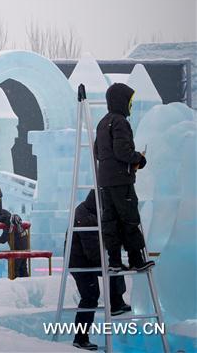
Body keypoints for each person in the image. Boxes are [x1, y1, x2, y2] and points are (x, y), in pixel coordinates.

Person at [95, 82, 152, 272]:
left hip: (105, 182)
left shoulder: (102, 123)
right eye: (130, 101)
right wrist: (139, 159)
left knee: (111, 221)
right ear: (122, 101)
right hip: (121, 181)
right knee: (129, 219)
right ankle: (136, 259)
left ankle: (114, 261)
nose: (131, 105)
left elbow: (97, 151)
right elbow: (122, 151)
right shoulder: (120, 122)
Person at [68, 190, 130, 351]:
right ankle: (80, 339)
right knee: (90, 297)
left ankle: (116, 303)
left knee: (115, 269)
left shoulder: (92, 211)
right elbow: (92, 249)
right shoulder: (86, 217)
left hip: (87, 260)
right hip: (80, 263)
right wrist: (108, 263)